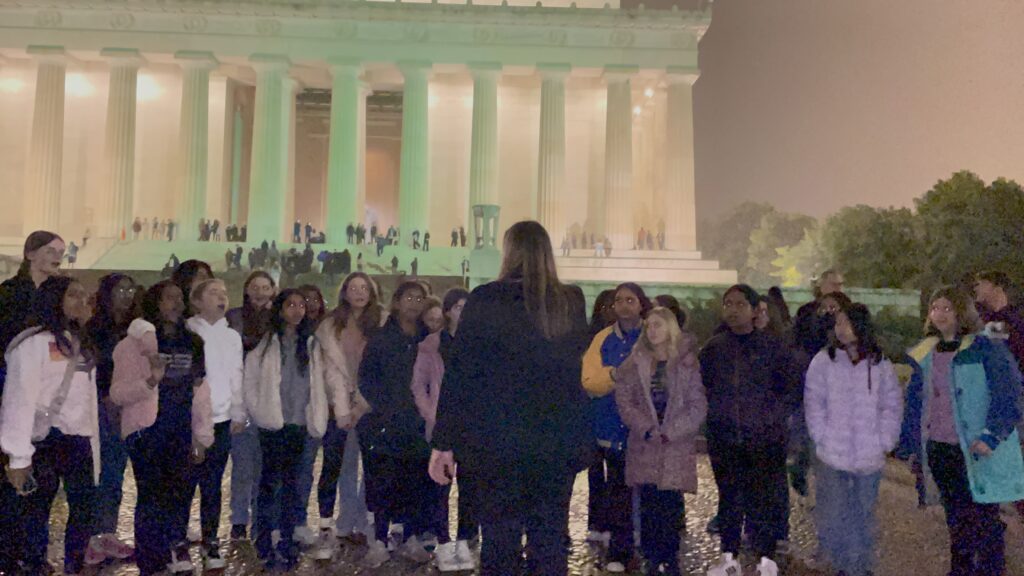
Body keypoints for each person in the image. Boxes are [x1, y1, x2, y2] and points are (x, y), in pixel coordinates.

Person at [429, 220, 592, 576]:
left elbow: (461, 374)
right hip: (554, 440)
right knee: (549, 540)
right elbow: (571, 368)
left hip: (497, 442)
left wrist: (444, 442)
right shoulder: (570, 300)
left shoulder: (486, 298)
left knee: (500, 541)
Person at [897, 286, 1024, 576]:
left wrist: (992, 434)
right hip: (941, 447)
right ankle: (961, 569)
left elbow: (1008, 393)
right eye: (935, 308)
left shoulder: (985, 347)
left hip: (976, 448)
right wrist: (911, 446)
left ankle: (990, 570)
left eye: (946, 308)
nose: (939, 314)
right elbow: (916, 403)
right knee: (955, 518)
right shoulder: (926, 352)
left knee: (984, 519)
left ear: (960, 311)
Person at [111, 282, 213, 576]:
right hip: (148, 430)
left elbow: (200, 392)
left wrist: (201, 435)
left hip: (180, 428)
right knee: (151, 497)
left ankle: (173, 550)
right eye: (169, 298)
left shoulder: (193, 342)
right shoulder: (132, 345)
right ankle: (150, 561)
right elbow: (117, 393)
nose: (177, 304)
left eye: (180, 298)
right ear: (155, 303)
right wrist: (150, 382)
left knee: (179, 494)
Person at [1, 276, 97, 576]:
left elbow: (88, 400)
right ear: (55, 300)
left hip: (78, 439)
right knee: (35, 514)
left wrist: (94, 446)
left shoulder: (82, 343)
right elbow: (19, 399)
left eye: (85, 296)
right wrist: (18, 457)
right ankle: (33, 566)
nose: (82, 301)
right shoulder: (32, 344)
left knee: (84, 511)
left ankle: (75, 565)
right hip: (43, 440)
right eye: (73, 295)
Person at [702, 284, 799, 576]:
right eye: (728, 303)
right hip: (725, 437)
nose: (733, 309)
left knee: (764, 501)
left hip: (764, 439)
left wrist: (771, 419)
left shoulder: (772, 347)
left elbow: (791, 390)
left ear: (755, 310)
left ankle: (766, 559)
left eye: (740, 304)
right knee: (729, 499)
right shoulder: (714, 348)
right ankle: (729, 556)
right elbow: (703, 387)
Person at [804, 303, 902, 576]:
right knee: (834, 513)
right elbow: (814, 402)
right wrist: (822, 437)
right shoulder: (824, 360)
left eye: (846, 323)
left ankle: (861, 566)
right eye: (838, 324)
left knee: (863, 514)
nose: (841, 329)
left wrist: (884, 441)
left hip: (869, 453)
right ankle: (841, 565)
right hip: (832, 452)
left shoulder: (880, 364)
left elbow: (891, 404)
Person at [615, 307, 706, 576]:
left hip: (674, 445)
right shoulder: (635, 362)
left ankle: (669, 557)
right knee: (648, 504)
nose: (652, 331)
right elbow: (625, 400)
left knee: (669, 502)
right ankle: (653, 558)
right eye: (649, 326)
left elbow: (697, 404)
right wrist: (645, 428)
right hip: (645, 445)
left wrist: (672, 431)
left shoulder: (686, 363)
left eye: (658, 325)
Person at [244, 289, 330, 569]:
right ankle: (264, 537)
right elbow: (252, 380)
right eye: (291, 305)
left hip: (298, 423)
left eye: (301, 305)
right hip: (272, 422)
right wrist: (259, 412)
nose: (297, 310)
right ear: (280, 309)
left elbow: (317, 382)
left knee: (293, 483)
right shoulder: (267, 343)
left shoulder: (311, 344)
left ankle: (288, 537)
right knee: (270, 482)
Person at [357, 281, 434, 567]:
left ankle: (411, 537)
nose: (414, 303)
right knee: (381, 482)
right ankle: (378, 540)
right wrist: (385, 408)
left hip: (417, 423)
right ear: (397, 302)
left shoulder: (427, 338)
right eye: (409, 297)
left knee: (414, 482)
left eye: (419, 298)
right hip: (384, 423)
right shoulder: (381, 338)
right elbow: (367, 378)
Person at [581, 282, 653, 572]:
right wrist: (617, 374)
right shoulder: (602, 338)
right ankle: (620, 551)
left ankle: (655, 549)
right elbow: (589, 381)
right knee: (618, 491)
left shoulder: (653, 335)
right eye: (618, 300)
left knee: (651, 491)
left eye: (630, 300)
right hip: (611, 427)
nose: (623, 305)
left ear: (641, 304)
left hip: (647, 429)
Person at [314, 272, 380, 548]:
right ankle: (344, 519)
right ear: (344, 292)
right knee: (344, 465)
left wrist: (362, 405)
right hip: (339, 403)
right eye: (353, 287)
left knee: (371, 465)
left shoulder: (381, 322)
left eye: (364, 287)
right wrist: (343, 408)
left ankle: (365, 519)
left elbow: (381, 368)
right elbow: (330, 370)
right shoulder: (331, 325)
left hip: (371, 404)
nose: (359, 292)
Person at [185, 279, 245, 569]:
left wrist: (238, 411)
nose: (221, 298)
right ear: (196, 301)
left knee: (212, 485)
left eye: (224, 293)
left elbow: (237, 375)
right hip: (192, 420)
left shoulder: (232, 336)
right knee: (185, 483)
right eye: (213, 293)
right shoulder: (189, 331)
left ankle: (210, 541)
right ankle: (179, 541)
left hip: (221, 420)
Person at [412, 288, 473, 572]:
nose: (462, 312)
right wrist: (433, 416)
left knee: (471, 487)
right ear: (447, 311)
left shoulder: (478, 344)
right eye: (457, 307)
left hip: (472, 427)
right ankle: (445, 542)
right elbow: (419, 386)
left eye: (466, 306)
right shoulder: (431, 345)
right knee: (440, 485)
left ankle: (466, 540)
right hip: (441, 424)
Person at [84, 274, 140, 565]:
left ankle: (107, 531)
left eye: (130, 289)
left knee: (116, 472)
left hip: (133, 406)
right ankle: (96, 534)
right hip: (104, 407)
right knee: (105, 471)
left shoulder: (137, 329)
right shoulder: (95, 328)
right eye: (120, 289)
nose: (126, 295)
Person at [225, 271, 277, 540]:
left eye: (265, 287)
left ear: (273, 290)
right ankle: (238, 518)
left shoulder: (277, 320)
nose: (260, 291)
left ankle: (261, 516)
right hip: (240, 397)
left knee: (264, 466)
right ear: (246, 290)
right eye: (255, 287)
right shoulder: (233, 318)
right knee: (242, 464)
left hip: (268, 397)